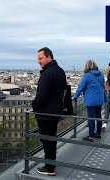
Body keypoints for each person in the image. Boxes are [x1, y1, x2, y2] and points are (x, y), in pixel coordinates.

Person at [31, 47, 67, 176]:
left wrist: (34, 105)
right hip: (55, 110)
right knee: (51, 139)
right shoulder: (60, 71)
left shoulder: (47, 73)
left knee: (46, 140)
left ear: (49, 57)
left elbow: (41, 95)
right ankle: (50, 164)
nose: (39, 61)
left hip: (45, 113)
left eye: (40, 58)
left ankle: (49, 167)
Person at [73, 60, 105, 142]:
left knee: (91, 117)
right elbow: (103, 86)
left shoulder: (87, 76)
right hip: (99, 99)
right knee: (98, 116)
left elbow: (81, 87)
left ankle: (90, 136)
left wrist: (75, 97)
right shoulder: (101, 74)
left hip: (91, 100)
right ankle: (98, 133)